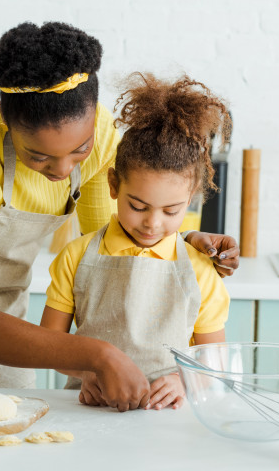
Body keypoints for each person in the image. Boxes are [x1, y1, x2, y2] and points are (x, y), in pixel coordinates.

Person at [0, 21, 238, 412]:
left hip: (14, 328)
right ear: (6, 123)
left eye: (80, 149)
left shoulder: (105, 135)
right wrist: (94, 356)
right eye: (38, 156)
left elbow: (110, 256)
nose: (61, 170)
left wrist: (178, 242)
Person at [40, 73, 230, 411]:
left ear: (191, 200)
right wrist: (86, 371)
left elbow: (215, 361)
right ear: (114, 185)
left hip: (168, 415)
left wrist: (185, 380)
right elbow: (49, 345)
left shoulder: (200, 269)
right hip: (89, 409)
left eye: (171, 210)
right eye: (137, 206)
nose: (152, 223)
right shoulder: (76, 256)